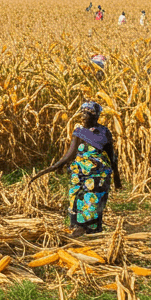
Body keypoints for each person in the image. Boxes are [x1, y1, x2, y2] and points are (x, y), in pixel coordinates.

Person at [28, 101, 121, 236]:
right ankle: (79, 227)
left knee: (92, 200)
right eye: (82, 113)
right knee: (76, 197)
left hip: (97, 174)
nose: (83, 116)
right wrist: (57, 165)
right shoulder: (79, 132)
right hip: (79, 172)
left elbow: (112, 156)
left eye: (87, 114)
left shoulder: (104, 132)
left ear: (95, 116)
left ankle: (89, 229)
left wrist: (117, 178)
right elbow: (70, 153)